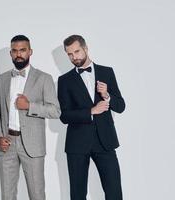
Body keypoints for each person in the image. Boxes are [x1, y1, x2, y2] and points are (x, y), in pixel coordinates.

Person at [0, 35, 61, 200]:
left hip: (33, 145)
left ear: (30, 51)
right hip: (7, 143)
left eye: (22, 50)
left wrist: (30, 106)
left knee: (37, 195)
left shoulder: (44, 78)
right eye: (15, 51)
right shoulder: (2, 80)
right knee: (7, 195)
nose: (18, 54)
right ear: (10, 54)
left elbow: (55, 111)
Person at [57, 34, 125, 200]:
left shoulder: (107, 72)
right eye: (70, 54)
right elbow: (64, 116)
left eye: (77, 51)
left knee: (114, 191)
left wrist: (107, 95)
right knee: (78, 194)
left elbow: (121, 106)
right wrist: (91, 111)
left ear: (86, 48)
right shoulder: (64, 80)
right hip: (77, 144)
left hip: (105, 141)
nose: (74, 57)